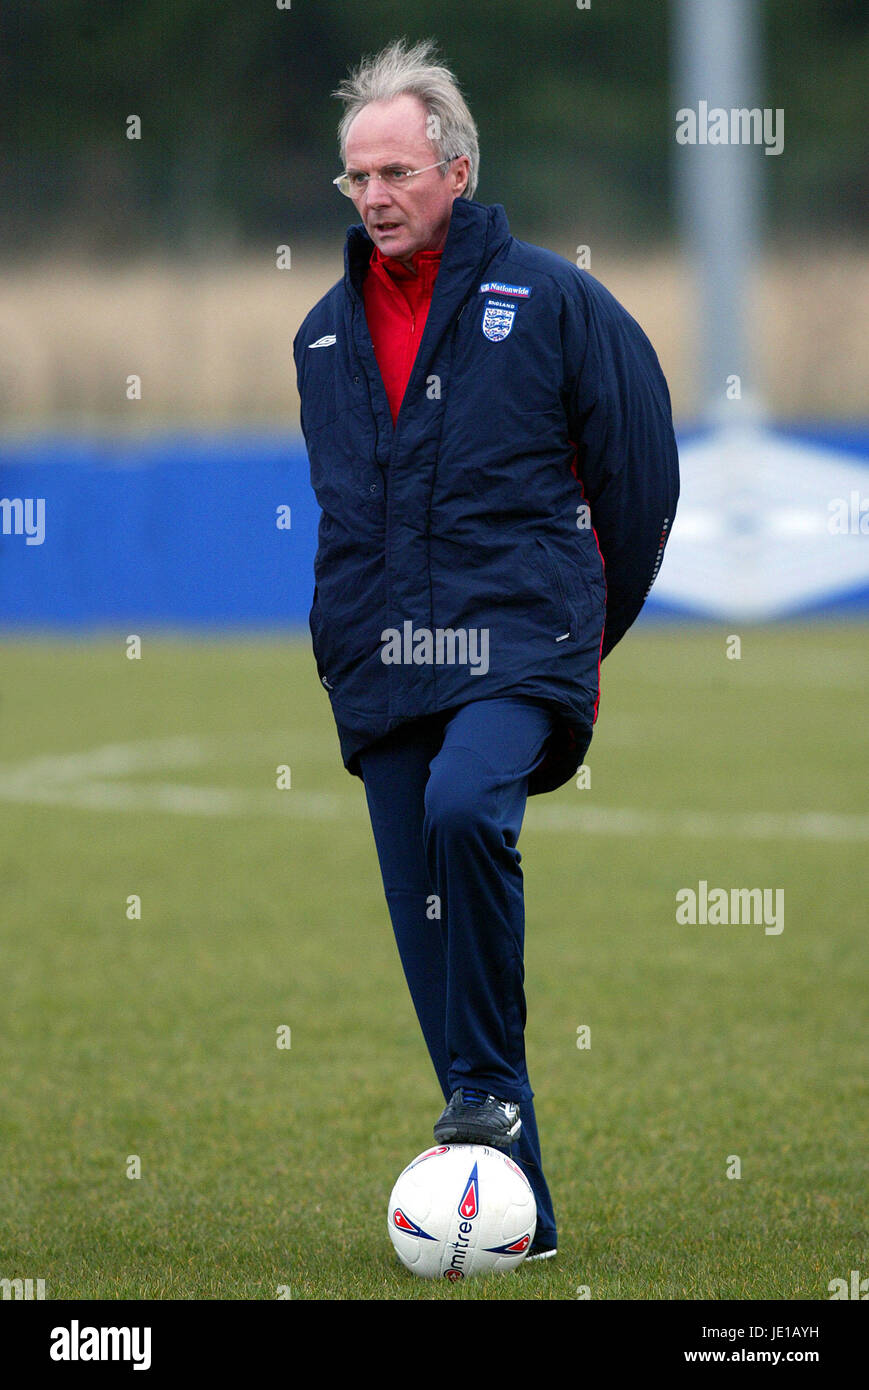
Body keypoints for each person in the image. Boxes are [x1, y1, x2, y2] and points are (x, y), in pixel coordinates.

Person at [293, 38, 679, 1260]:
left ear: (455, 169)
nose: (373, 196)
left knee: (469, 806)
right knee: (426, 934)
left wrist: (577, 632)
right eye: (355, 177)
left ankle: (485, 1108)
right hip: (380, 661)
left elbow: (641, 480)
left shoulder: (555, 302)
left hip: (519, 641)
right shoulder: (317, 336)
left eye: (396, 171)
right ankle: (519, 1211)